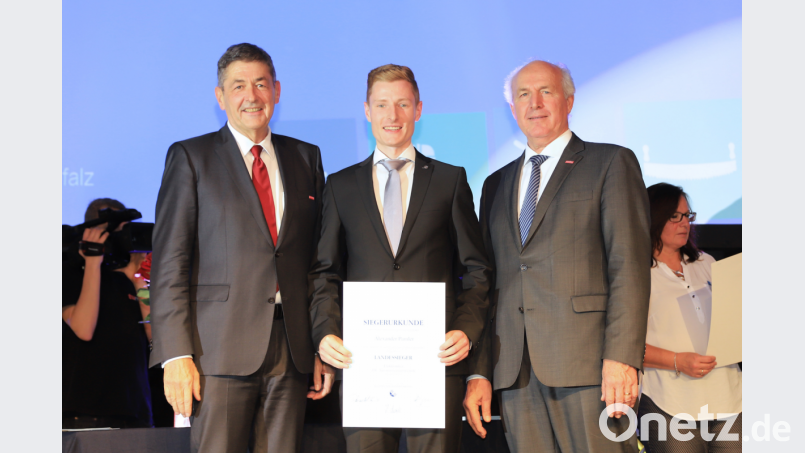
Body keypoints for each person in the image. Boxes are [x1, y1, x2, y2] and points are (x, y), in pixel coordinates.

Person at [149, 43, 333, 453]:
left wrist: (320, 340)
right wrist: (175, 355)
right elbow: (170, 264)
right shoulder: (190, 157)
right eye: (238, 86)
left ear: (277, 90)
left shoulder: (307, 157)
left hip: (292, 351)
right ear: (220, 97)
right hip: (216, 354)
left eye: (261, 84)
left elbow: (317, 263)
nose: (252, 96)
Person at [464, 60, 651, 453]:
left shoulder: (610, 162)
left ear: (568, 99)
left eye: (545, 91)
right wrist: (478, 373)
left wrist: (621, 358)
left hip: (590, 367)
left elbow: (628, 269)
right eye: (523, 95)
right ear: (512, 108)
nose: (534, 103)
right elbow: (487, 285)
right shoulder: (495, 184)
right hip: (515, 372)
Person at [310, 64, 491, 453]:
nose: (392, 116)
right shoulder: (340, 186)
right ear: (367, 111)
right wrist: (325, 333)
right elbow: (324, 272)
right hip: (364, 366)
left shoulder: (450, 180)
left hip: (436, 363)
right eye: (382, 105)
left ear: (418, 109)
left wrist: (466, 330)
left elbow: (476, 270)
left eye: (403, 104)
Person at [639, 183, 742, 452]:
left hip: (728, 398)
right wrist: (677, 360)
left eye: (688, 216)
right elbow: (621, 344)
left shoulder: (706, 263)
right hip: (669, 402)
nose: (684, 223)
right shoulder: (636, 273)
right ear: (652, 217)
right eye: (675, 216)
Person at [62, 198, 153, 429]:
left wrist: (138, 280)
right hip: (85, 415)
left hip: (135, 413)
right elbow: (83, 329)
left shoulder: (131, 280)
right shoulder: (69, 271)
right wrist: (93, 263)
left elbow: (156, 336)